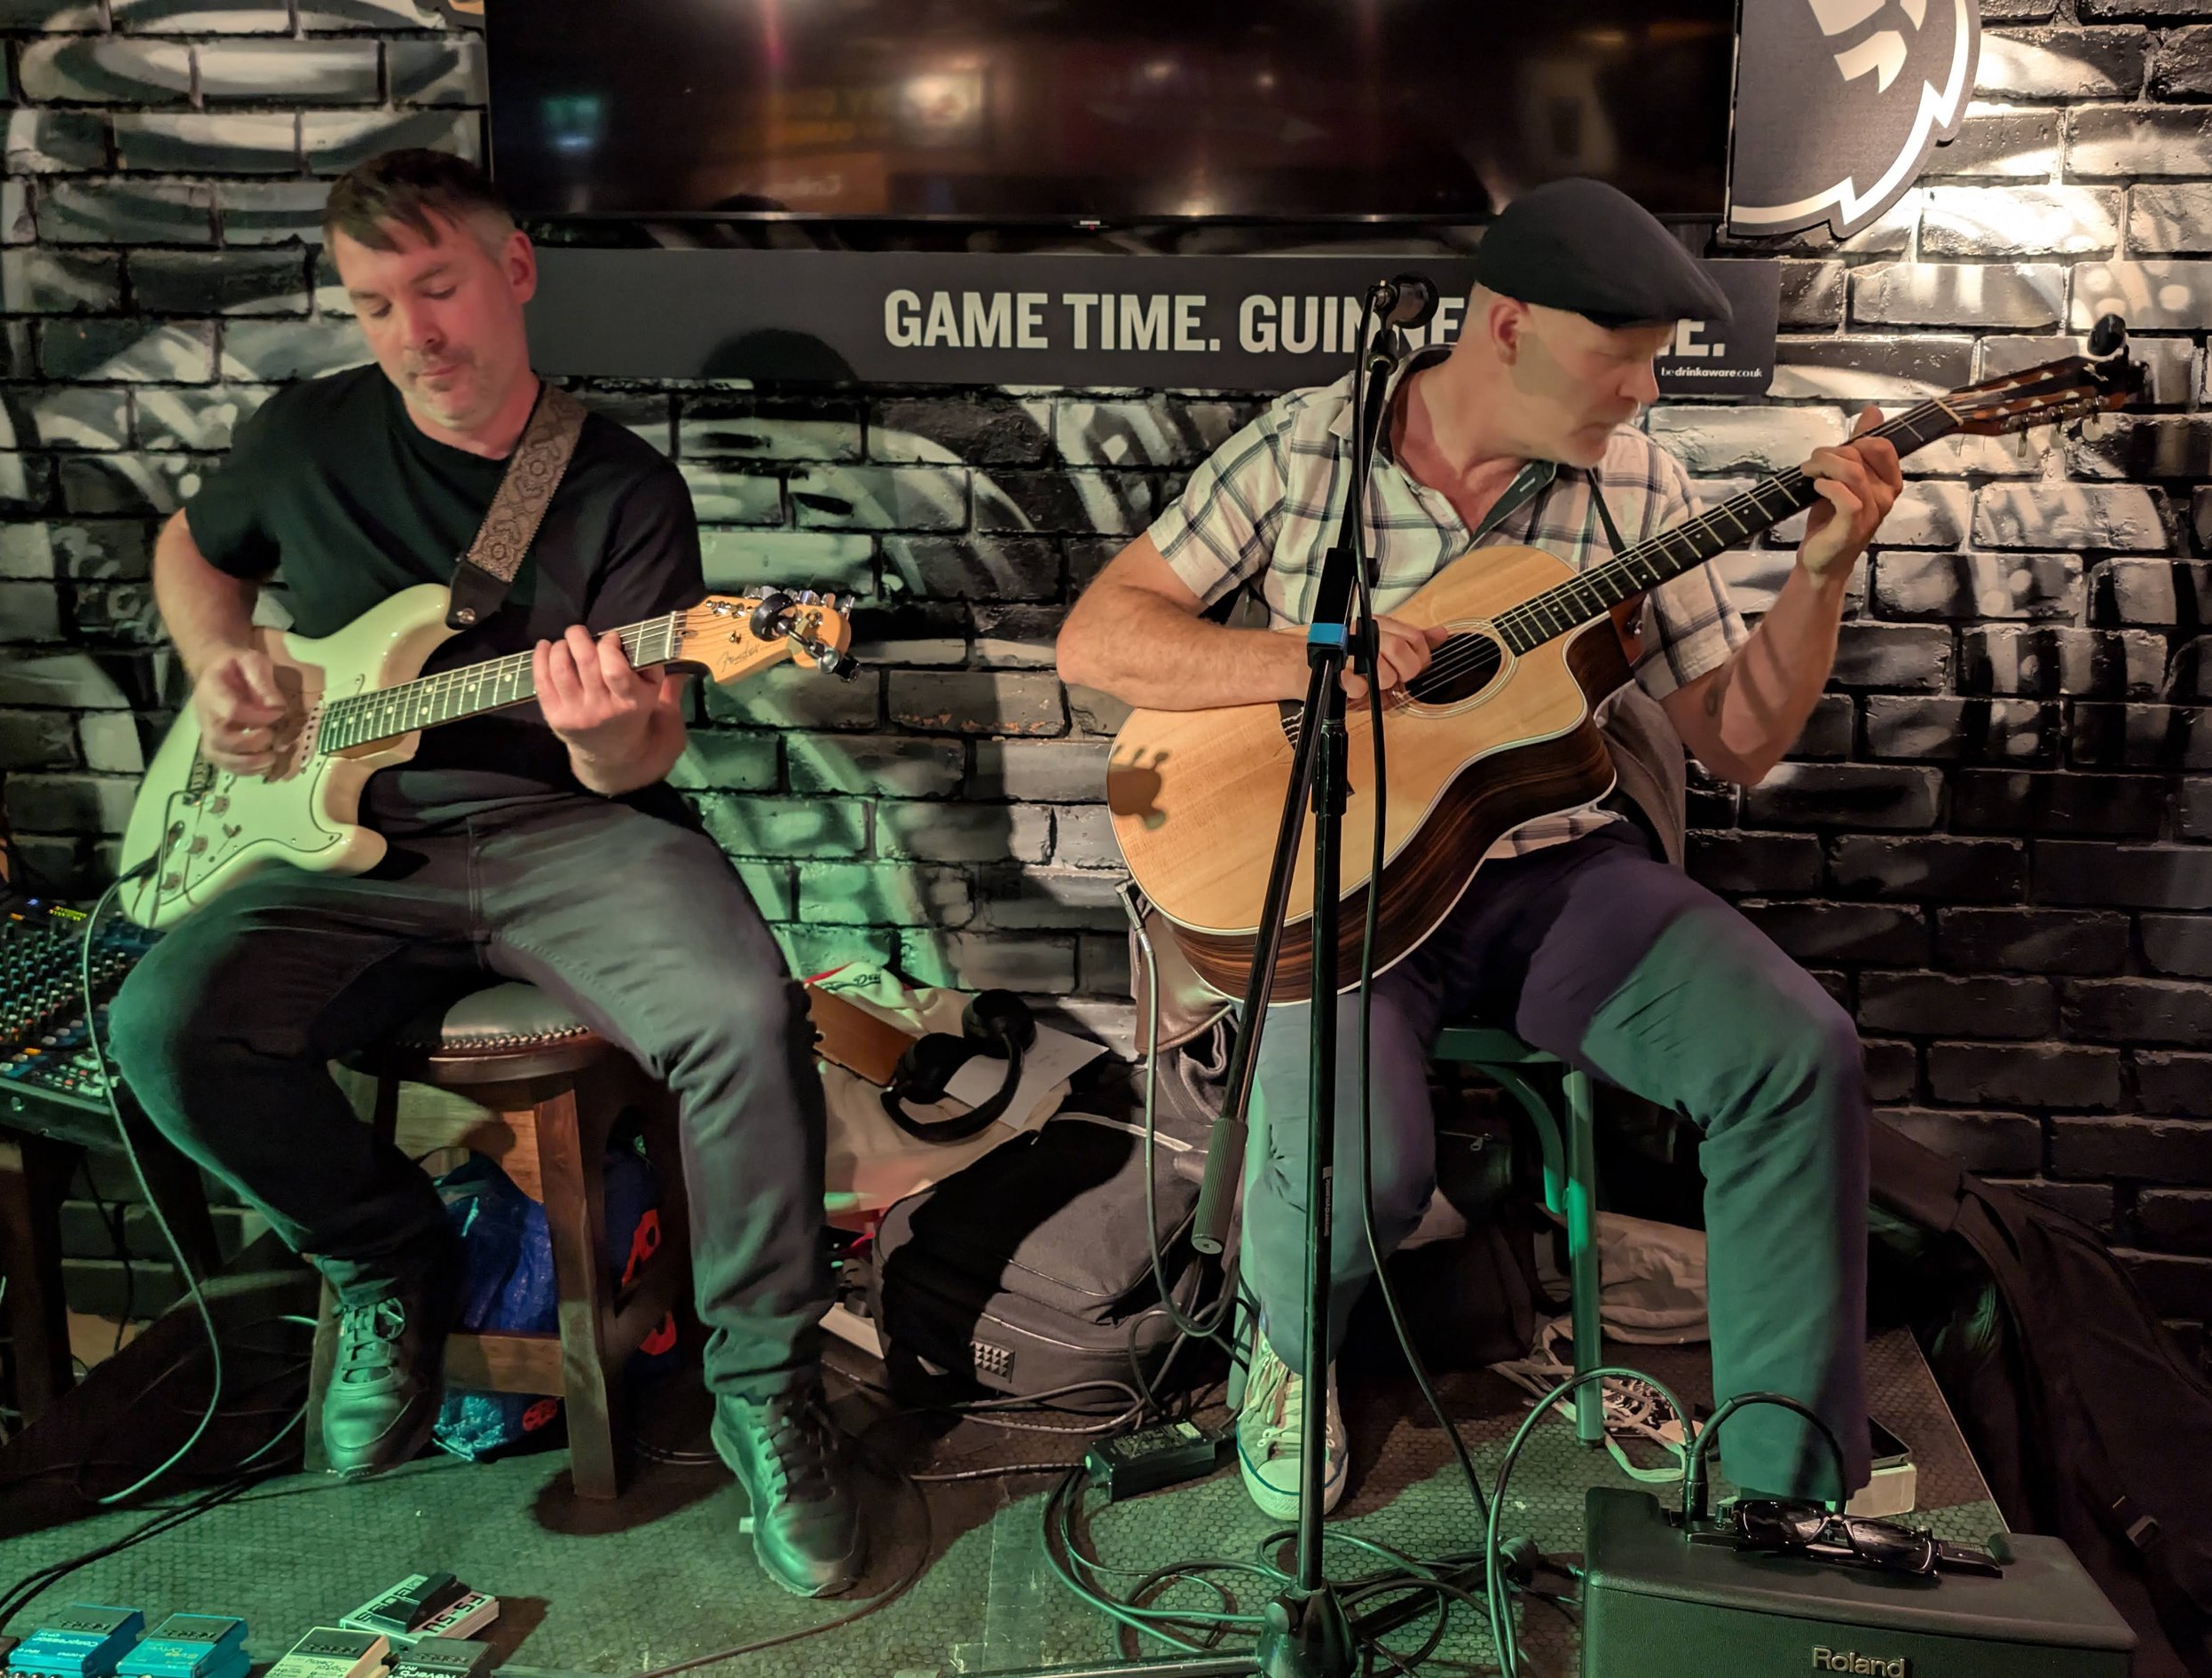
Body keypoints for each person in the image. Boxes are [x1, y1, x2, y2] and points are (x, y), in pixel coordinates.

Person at [1056, 177, 1903, 1520]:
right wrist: (1309, 660)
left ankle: (1782, 1494)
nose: (1639, 390)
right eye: (1616, 355)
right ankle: (1284, 1351)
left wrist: (1820, 575)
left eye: (1652, 361)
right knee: (1362, 1181)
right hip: (1341, 885)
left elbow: (1735, 740)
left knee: (1799, 1056)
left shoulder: (1642, 486)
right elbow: (1101, 639)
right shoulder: (1310, 450)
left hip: (1557, 879)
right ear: (1506, 325)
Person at [108, 149, 863, 1599]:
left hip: (559, 832)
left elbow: (643, 764)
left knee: (738, 1012)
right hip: (333, 849)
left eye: (438, 289)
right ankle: (386, 1261)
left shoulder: (620, 488)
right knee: (162, 1024)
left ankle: (767, 1390)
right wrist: (219, 665)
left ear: (514, 271)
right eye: (377, 303)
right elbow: (192, 556)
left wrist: (606, 737)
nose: (415, 336)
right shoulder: (305, 435)